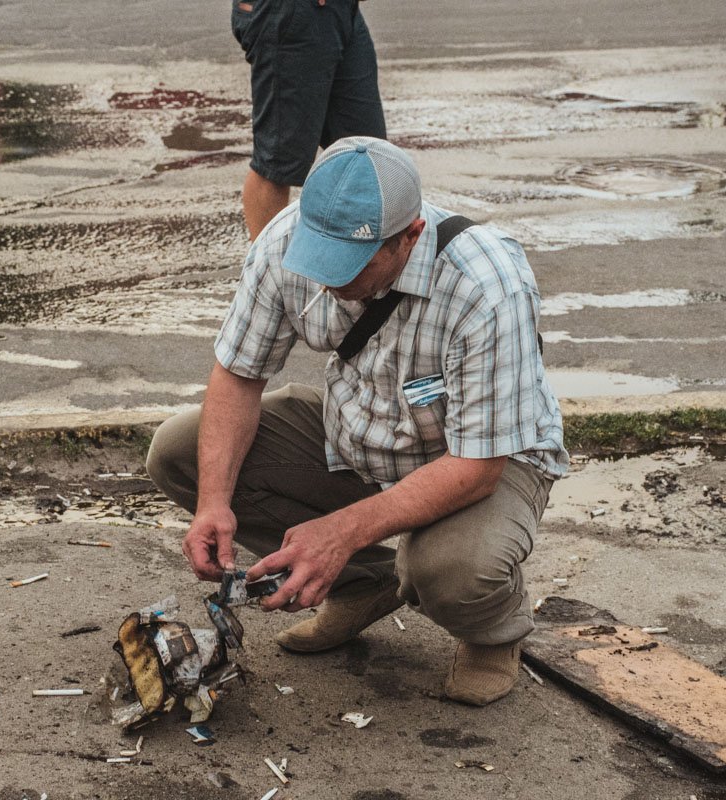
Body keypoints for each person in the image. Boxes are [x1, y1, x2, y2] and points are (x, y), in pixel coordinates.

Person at [147, 137, 569, 706]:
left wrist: (340, 532)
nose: (327, 280)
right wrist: (213, 503)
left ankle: (492, 632)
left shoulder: (485, 285)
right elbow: (238, 374)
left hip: (478, 454)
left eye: (349, 265)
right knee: (179, 452)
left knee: (449, 570)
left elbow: (477, 467)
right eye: (319, 258)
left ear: (410, 236)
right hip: (359, 430)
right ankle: (366, 583)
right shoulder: (285, 239)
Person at [231, 0, 386, 240]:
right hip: (289, 10)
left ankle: (347, 267)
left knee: (366, 155)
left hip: (341, 10)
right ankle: (265, 272)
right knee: (277, 163)